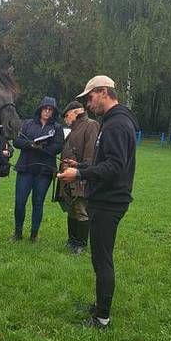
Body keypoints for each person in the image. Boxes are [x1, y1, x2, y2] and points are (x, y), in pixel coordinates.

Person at [57, 75, 138, 329]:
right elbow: (106, 162)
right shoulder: (112, 122)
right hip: (105, 199)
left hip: (109, 202)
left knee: (102, 260)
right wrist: (79, 165)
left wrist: (79, 174)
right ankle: (99, 306)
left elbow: (114, 167)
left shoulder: (116, 125)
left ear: (104, 92)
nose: (87, 104)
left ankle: (102, 319)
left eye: (89, 97)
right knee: (98, 258)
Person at [12, 96, 65, 242]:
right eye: (45, 108)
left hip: (45, 170)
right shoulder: (27, 124)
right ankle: (17, 232)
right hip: (26, 167)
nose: (47, 112)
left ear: (53, 112)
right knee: (20, 201)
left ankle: (34, 235)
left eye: (50, 110)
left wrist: (43, 148)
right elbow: (17, 141)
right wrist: (30, 145)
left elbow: (58, 146)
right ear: (40, 109)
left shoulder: (57, 128)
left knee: (38, 202)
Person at [56, 100, 99, 254]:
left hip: (82, 176)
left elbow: (90, 155)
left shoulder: (90, 125)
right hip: (68, 175)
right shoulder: (74, 128)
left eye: (67, 116)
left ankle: (81, 243)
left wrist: (81, 168)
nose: (66, 120)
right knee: (71, 209)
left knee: (81, 209)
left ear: (76, 112)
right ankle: (72, 240)